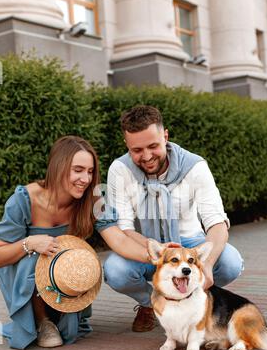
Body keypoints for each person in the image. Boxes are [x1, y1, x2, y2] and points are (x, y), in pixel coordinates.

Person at [0, 135, 150, 350]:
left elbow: (118, 239)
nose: (86, 179)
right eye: (78, 170)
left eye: (90, 172)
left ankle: (62, 316)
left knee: (74, 264)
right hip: (23, 274)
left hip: (63, 275)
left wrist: (156, 256)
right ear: (58, 167)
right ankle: (42, 322)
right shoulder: (25, 199)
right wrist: (29, 243)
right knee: (37, 255)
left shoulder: (93, 199)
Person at [103, 105, 244, 333]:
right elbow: (125, 229)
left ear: (165, 136)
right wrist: (156, 251)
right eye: (137, 150)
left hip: (189, 244)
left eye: (153, 146)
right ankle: (150, 304)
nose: (146, 157)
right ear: (126, 145)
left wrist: (205, 266)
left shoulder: (195, 166)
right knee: (115, 270)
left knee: (230, 263)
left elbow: (216, 223)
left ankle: (194, 303)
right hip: (146, 246)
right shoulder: (120, 170)